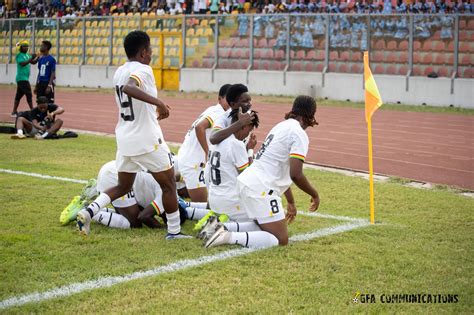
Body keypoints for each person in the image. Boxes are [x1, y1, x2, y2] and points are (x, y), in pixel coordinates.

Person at [76, 30, 188, 240]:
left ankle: (87, 212)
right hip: (146, 139)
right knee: (170, 184)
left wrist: (152, 114)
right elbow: (130, 88)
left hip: (126, 137)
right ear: (144, 51)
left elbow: (133, 104)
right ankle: (174, 232)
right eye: (151, 49)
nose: (152, 53)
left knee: (123, 186)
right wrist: (159, 102)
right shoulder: (144, 69)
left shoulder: (119, 71)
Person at [205, 95, 321, 249]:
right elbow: (296, 174)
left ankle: (219, 227)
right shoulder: (298, 133)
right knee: (280, 239)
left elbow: (280, 169)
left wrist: (291, 201)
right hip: (262, 188)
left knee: (263, 225)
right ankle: (228, 236)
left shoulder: (281, 126)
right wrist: (314, 194)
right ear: (310, 116)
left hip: (249, 181)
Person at [177, 84, 231, 202]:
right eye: (228, 99)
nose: (231, 103)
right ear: (220, 99)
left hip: (189, 159)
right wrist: (208, 152)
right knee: (205, 205)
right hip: (193, 164)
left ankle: (178, 187)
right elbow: (199, 127)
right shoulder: (218, 112)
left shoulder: (214, 110)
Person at [11, 40, 38, 118]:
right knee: (28, 93)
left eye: (27, 46)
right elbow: (22, 64)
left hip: (24, 78)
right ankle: (33, 111)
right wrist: (31, 58)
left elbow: (33, 62)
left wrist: (37, 58)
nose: (26, 48)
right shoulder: (19, 55)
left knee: (18, 95)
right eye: (24, 46)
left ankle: (14, 111)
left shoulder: (27, 55)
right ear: (21, 47)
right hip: (21, 78)